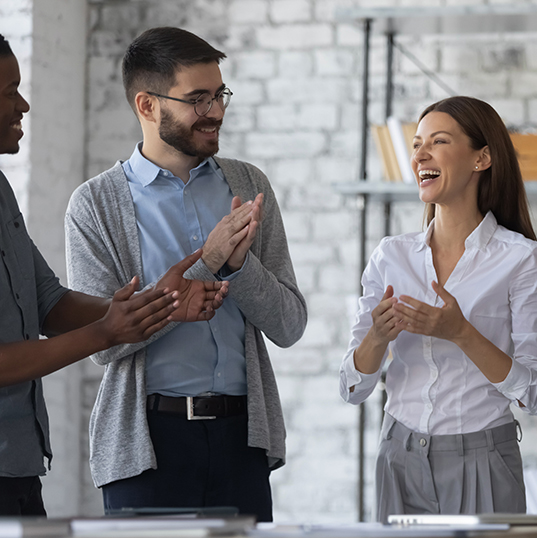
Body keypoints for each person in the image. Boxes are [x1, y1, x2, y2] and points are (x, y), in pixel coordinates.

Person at [64, 27, 307, 522]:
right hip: (147, 447)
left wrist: (240, 265)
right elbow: (102, 344)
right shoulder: (94, 205)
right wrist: (210, 260)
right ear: (148, 105)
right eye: (198, 99)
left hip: (243, 440)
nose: (215, 110)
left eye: (219, 94)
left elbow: (289, 325)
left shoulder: (249, 185)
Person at [0, 34, 227, 517]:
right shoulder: (95, 200)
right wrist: (106, 331)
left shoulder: (0, 190)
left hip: (18, 464)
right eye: (7, 91)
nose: (22, 103)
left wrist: (159, 305)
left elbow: (49, 302)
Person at [340, 96, 537, 522]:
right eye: (417, 143)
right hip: (398, 455)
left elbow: (536, 395)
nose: (419, 154)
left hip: (483, 459)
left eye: (438, 142)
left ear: (482, 158)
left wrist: (462, 333)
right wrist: (377, 338)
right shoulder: (391, 256)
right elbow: (352, 388)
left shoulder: (522, 259)